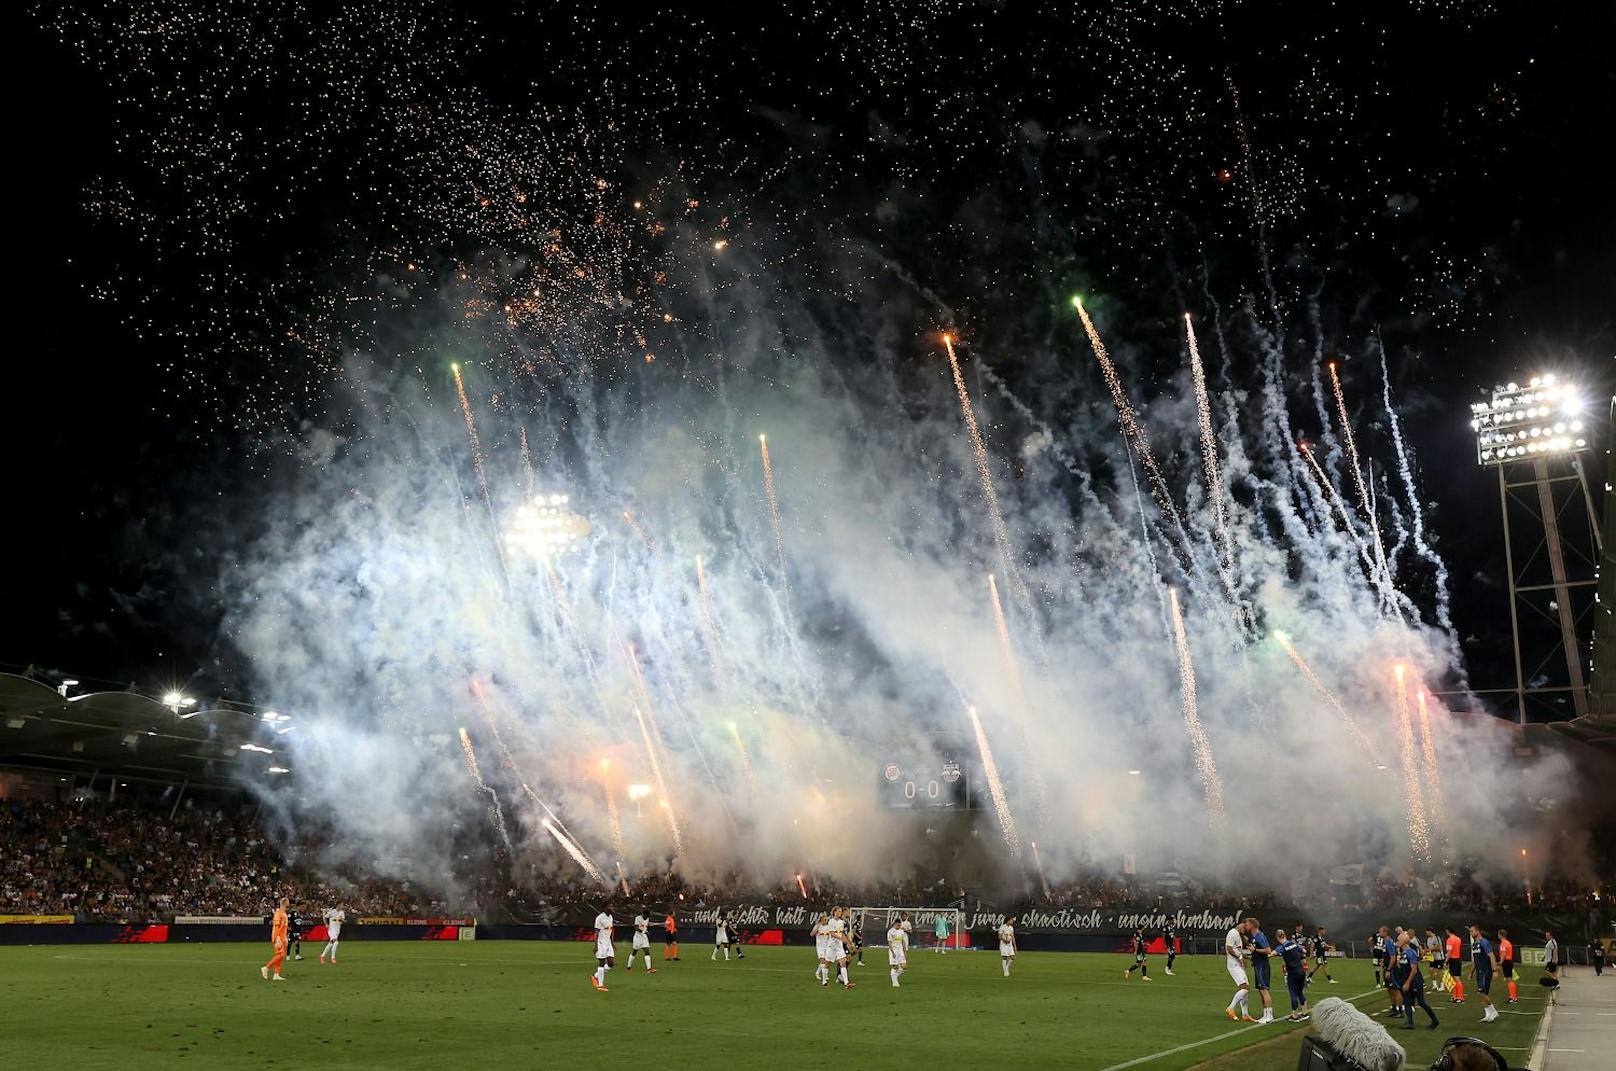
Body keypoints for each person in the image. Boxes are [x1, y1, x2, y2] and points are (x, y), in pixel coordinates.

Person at [1395, 931, 1440, 1030]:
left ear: (1404, 942)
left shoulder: (1411, 952)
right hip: (1407, 981)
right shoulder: (1402, 953)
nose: (1397, 942)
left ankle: (1435, 1020)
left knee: (1421, 1002)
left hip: (1415, 981)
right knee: (1406, 1001)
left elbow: (1414, 970)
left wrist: (1407, 983)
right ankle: (1409, 1023)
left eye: (1398, 940)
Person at [1466, 924, 1500, 1023]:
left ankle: (1493, 1012)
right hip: (1479, 971)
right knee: (1483, 993)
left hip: (1485, 971)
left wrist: (1494, 971)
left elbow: (1491, 956)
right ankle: (1487, 1014)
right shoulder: (1474, 944)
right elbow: (1475, 961)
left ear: (1477, 931)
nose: (1470, 933)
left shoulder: (1484, 942)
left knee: (1481, 992)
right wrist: (1471, 972)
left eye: (1472, 931)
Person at [1224, 918, 1256, 1022]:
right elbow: (1229, 949)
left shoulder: (1238, 935)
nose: (1245, 930)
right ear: (1241, 926)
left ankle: (1245, 1014)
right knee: (1245, 987)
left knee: (1246, 989)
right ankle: (1230, 1008)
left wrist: (1247, 958)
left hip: (1238, 964)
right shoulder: (1232, 933)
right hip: (1233, 965)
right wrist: (1240, 958)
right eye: (1244, 928)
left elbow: (1237, 951)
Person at [1275, 929, 1310, 1022]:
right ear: (1285, 935)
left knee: (1293, 993)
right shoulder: (1293, 944)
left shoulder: (1282, 947)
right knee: (1300, 992)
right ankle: (1305, 1013)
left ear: (1278, 937)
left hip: (1292, 973)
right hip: (1301, 971)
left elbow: (1272, 953)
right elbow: (1304, 950)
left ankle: (1294, 1015)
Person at [1250, 921, 1276, 1023]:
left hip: (1262, 966)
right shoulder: (1254, 937)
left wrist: (1255, 950)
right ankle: (1265, 1014)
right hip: (1257, 965)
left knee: (1264, 990)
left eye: (1247, 924)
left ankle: (1269, 1016)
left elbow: (1268, 950)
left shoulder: (1260, 936)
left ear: (1252, 925)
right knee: (1261, 990)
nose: (1246, 926)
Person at [261, 896, 290, 981]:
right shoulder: (279, 913)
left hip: (283, 937)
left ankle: (276, 974)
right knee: (280, 955)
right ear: (285, 903)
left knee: (281, 956)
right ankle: (266, 968)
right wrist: (277, 938)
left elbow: (283, 928)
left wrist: (285, 937)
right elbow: (277, 926)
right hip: (278, 937)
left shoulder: (284, 913)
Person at [591, 904, 615, 992]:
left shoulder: (611, 917)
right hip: (601, 942)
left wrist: (612, 943)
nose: (612, 908)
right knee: (602, 962)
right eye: (610, 907)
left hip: (608, 942)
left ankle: (595, 976)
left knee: (611, 963)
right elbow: (596, 932)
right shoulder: (599, 918)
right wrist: (596, 945)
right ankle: (600, 985)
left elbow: (611, 930)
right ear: (605, 908)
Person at [627, 908, 657, 973]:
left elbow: (645, 927)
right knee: (634, 952)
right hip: (637, 938)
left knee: (647, 951)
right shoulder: (638, 918)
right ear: (643, 914)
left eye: (647, 917)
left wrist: (646, 931)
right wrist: (644, 932)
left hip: (644, 937)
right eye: (646, 916)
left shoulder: (647, 919)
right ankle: (628, 967)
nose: (646, 918)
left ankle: (649, 969)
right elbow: (636, 928)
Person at [1445, 927, 1467, 1002]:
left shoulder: (1450, 940)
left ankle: (1460, 997)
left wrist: (1446, 961)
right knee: (1455, 979)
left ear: (1448, 931)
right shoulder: (1458, 939)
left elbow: (1449, 951)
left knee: (1456, 979)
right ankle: (1455, 996)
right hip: (1458, 958)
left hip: (1453, 959)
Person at [886, 918, 909, 988]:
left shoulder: (901, 931)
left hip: (900, 951)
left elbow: (903, 941)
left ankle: (895, 976)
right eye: (898, 925)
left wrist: (905, 950)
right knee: (894, 966)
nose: (899, 926)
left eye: (900, 925)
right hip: (893, 951)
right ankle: (894, 982)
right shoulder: (890, 932)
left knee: (904, 967)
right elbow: (889, 942)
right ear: (895, 924)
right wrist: (892, 952)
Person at [813, 912, 833, 987]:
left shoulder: (829, 927)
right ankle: (824, 979)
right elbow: (811, 934)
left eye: (826, 920)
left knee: (827, 961)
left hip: (827, 946)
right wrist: (817, 928)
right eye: (824, 920)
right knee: (823, 961)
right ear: (821, 920)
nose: (826, 921)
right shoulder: (817, 926)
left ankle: (818, 972)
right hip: (820, 946)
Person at [1497, 929, 1516, 1004]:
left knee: (1509, 979)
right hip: (1509, 961)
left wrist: (1501, 962)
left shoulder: (1503, 943)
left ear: (1500, 935)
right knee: (1510, 979)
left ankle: (1513, 997)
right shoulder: (1508, 942)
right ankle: (1513, 996)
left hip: (1507, 962)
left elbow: (1503, 954)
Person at [1543, 930, 1560, 1005]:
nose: (1546, 936)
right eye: (1546, 935)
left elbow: (1555, 950)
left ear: (1551, 935)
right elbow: (1548, 951)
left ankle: (1555, 982)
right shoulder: (1549, 942)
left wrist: (1554, 959)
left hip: (1551, 960)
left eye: (1547, 935)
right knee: (1553, 972)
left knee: (1547, 971)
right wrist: (1544, 957)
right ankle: (1556, 984)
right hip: (1548, 959)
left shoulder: (1552, 942)